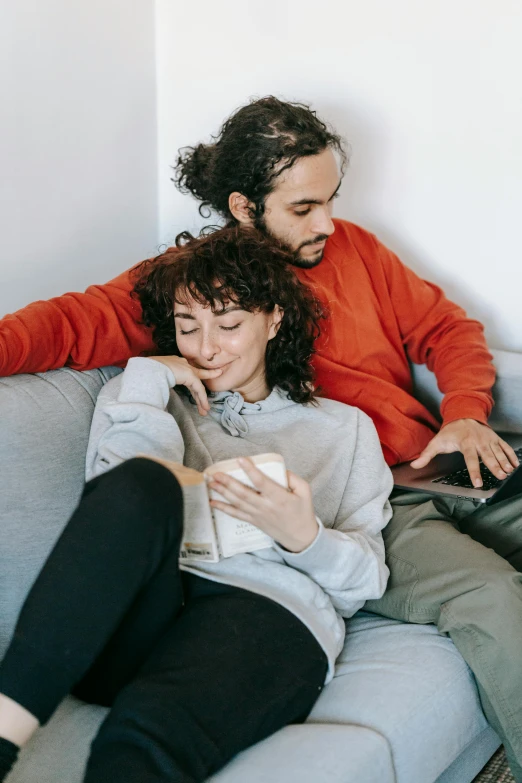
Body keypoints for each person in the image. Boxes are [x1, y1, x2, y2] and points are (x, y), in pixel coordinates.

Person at [1, 95, 522, 778]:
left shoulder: (355, 250)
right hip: (378, 504)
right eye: (304, 209)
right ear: (245, 206)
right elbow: (69, 325)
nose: (329, 224)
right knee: (488, 595)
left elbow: (447, 329)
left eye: (330, 200)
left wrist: (465, 411)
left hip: (439, 456)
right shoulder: (200, 291)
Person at [0, 227, 392, 782]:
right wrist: (152, 379)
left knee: (143, 738)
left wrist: (304, 536)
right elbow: (112, 503)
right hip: (136, 612)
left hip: (264, 609)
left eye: (229, 325)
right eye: (188, 326)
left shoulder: (345, 430)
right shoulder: (143, 394)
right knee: (145, 482)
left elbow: (364, 582)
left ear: (273, 320)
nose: (205, 347)